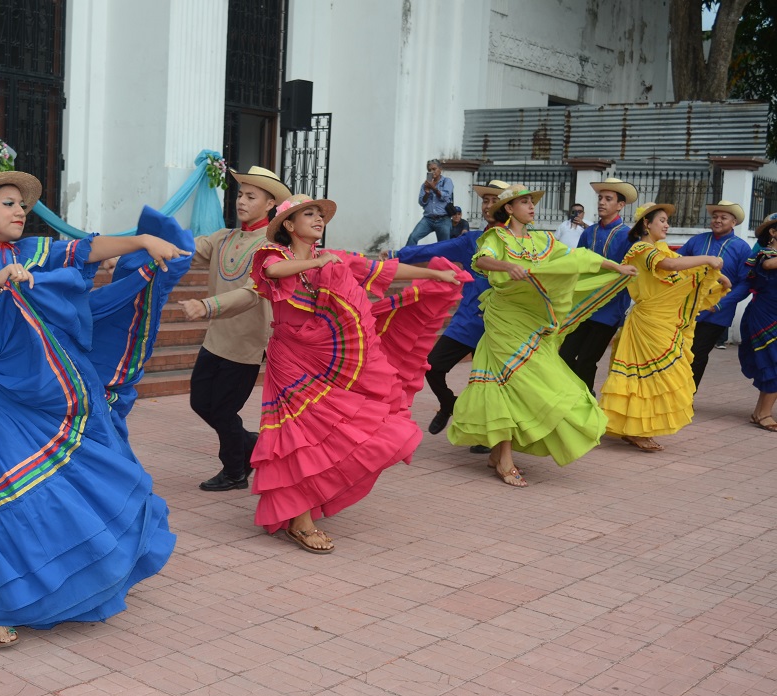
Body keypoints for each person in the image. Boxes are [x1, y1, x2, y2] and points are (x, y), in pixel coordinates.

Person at [0, 171, 190, 648]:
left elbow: (88, 250)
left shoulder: (35, 251)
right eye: (9, 203)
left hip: (48, 393)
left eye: (23, 205)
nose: (20, 212)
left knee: (58, 485)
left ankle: (58, 578)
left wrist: (142, 239)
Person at [250, 194, 468, 553]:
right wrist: (320, 260)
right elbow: (272, 273)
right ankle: (300, 520)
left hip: (328, 360)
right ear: (288, 226)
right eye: (309, 214)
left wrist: (434, 273)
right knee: (297, 435)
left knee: (341, 432)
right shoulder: (276, 256)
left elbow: (383, 271)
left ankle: (309, 502)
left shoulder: (333, 259)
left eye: (320, 214)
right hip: (291, 359)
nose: (318, 219)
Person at [447, 185, 637, 487]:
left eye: (532, 202)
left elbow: (577, 258)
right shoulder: (498, 238)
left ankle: (499, 455)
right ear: (509, 209)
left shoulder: (542, 240)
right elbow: (481, 260)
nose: (532, 207)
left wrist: (615, 266)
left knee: (520, 383)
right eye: (525, 203)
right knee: (510, 382)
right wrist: (508, 265)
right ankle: (504, 460)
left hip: (533, 323)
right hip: (504, 319)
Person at [178, 166, 291, 492]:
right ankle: (250, 444)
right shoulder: (224, 237)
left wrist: (206, 305)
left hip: (246, 344)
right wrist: (135, 252)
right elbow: (184, 250)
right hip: (216, 339)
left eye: (251, 196)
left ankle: (234, 471)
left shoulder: (270, 249)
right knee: (201, 402)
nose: (241, 200)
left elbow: (252, 293)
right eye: (240, 194)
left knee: (224, 409)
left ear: (270, 204)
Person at [382, 179, 510, 456]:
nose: (487, 206)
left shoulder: (522, 243)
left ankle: (489, 434)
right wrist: (396, 255)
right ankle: (448, 403)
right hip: (469, 320)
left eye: (493, 201)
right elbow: (432, 251)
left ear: (508, 206)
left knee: (489, 382)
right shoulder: (472, 239)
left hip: (503, 324)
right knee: (432, 365)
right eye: (485, 201)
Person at [600, 203, 729, 452]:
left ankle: (638, 429)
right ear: (646, 224)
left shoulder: (661, 249)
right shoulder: (641, 249)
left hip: (663, 321)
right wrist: (708, 259)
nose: (666, 225)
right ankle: (636, 430)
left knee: (657, 376)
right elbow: (668, 267)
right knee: (649, 376)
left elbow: (682, 268)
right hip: (648, 322)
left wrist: (713, 278)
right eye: (662, 220)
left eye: (667, 221)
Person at [559, 178, 639, 393]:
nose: (602, 202)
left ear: (620, 205)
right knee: (564, 355)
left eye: (608, 199)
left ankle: (586, 402)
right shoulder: (589, 232)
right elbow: (579, 263)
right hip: (583, 307)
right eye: (600, 198)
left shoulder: (629, 236)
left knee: (586, 359)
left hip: (610, 309)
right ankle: (575, 398)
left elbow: (633, 270)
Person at [677, 200, 751, 389]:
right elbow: (677, 262)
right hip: (686, 306)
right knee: (678, 351)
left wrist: (720, 304)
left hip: (717, 312)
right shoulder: (697, 240)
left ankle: (686, 397)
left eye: (723, 217)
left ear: (733, 222)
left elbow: (746, 283)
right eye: (715, 217)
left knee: (697, 353)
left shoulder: (742, 248)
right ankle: (672, 395)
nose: (717, 220)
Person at [739, 212, 777, 432]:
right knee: (773, 361)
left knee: (772, 364)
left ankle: (760, 412)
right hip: (765, 314)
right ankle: (763, 414)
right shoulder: (764, 254)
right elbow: (769, 266)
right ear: (773, 232)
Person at [405, 159, 454, 246]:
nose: (432, 172)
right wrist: (427, 192)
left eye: (434, 169)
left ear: (440, 169)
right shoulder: (425, 185)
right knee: (413, 237)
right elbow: (421, 202)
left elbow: (445, 197)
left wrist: (433, 188)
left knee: (444, 245)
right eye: (429, 170)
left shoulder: (447, 181)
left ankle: (443, 260)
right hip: (428, 219)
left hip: (443, 219)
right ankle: (406, 257)